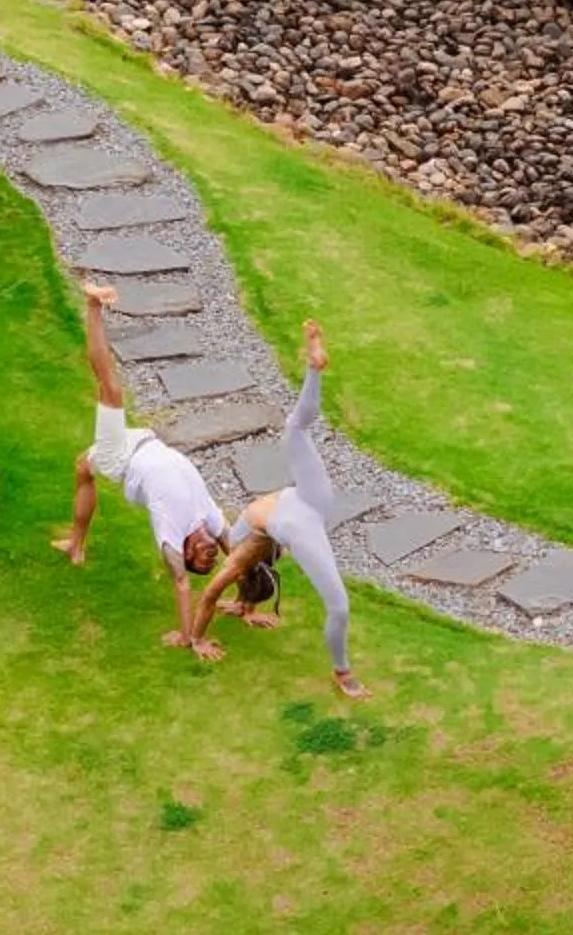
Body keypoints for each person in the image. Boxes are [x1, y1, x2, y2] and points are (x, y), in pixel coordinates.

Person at [52, 280, 230, 660]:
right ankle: (76, 547)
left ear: (185, 552)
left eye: (203, 558)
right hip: (144, 442)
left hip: (123, 458)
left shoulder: (170, 531)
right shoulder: (211, 521)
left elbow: (182, 586)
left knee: (110, 388)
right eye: (210, 555)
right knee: (83, 467)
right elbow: (240, 556)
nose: (209, 552)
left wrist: (190, 638)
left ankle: (93, 306)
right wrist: (250, 605)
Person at [191, 318, 367, 698]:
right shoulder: (243, 546)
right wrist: (224, 621)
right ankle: (313, 367)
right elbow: (220, 583)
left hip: (303, 510)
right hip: (305, 499)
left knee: (340, 606)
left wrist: (209, 630)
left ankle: (343, 672)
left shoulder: (242, 552)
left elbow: (210, 594)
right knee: (295, 429)